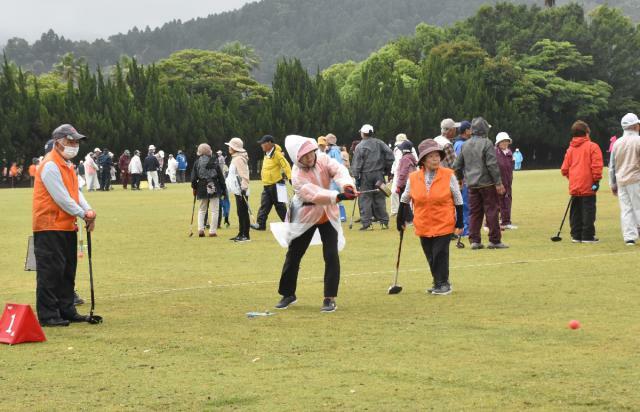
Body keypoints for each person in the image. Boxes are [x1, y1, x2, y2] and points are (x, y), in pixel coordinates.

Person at [274, 135, 356, 312]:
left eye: (310, 153)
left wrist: (347, 186)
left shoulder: (324, 158)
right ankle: (288, 294)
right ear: (297, 157)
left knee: (331, 255)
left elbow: (339, 171)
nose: (310, 157)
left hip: (328, 215)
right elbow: (314, 194)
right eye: (304, 156)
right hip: (306, 216)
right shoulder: (296, 174)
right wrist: (338, 196)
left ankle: (329, 297)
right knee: (294, 254)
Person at [32, 124, 97, 326]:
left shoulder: (68, 165)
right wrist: (83, 213)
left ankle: (66, 309)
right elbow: (61, 198)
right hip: (49, 226)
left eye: (76, 141)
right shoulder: (50, 165)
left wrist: (88, 210)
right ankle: (49, 314)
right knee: (51, 272)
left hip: (66, 225)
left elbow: (76, 193)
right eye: (71, 141)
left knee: (67, 270)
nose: (74, 145)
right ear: (58, 142)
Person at [397, 139, 464, 295]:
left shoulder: (448, 175)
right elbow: (405, 198)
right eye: (431, 156)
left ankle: (443, 283)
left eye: (437, 156)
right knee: (430, 254)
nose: (435, 159)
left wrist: (459, 222)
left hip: (444, 222)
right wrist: (400, 218)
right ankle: (437, 282)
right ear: (423, 160)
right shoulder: (413, 177)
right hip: (423, 223)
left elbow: (458, 199)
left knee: (440, 253)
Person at [453, 117, 508, 249]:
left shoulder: (465, 144)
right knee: (492, 211)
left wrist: (460, 179)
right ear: (484, 130)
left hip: (471, 184)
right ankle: (494, 240)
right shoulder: (487, 143)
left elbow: (456, 165)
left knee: (475, 212)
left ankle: (475, 241)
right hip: (487, 184)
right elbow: (492, 165)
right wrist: (498, 183)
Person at [560, 120, 603, 244]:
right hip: (588, 184)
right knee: (588, 211)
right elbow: (597, 166)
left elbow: (564, 169)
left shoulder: (570, 149)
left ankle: (576, 235)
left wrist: (573, 178)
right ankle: (587, 236)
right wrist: (596, 180)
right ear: (586, 133)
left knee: (576, 211)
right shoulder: (592, 146)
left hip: (575, 185)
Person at [350, 124, 394, 230]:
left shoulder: (360, 146)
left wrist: (356, 176)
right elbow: (390, 156)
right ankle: (384, 222)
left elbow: (356, 164)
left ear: (362, 133)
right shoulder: (380, 143)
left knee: (365, 198)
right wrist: (386, 168)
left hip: (366, 175)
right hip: (379, 174)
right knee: (380, 198)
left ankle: (367, 223)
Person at [609, 114, 640, 245]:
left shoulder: (617, 143)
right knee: (638, 207)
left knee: (626, 209)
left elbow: (612, 166)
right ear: (634, 126)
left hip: (621, 181)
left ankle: (629, 238)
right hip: (636, 179)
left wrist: (612, 184)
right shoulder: (638, 140)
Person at [251, 135, 292, 231]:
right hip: (267, 185)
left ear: (270, 143)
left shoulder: (277, 154)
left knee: (280, 206)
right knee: (264, 205)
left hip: (277, 184)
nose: (261, 145)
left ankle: (288, 224)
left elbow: (286, 166)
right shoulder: (266, 154)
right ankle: (260, 224)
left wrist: (290, 178)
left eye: (263, 143)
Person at [191, 144, 227, 237]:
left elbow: (193, 178)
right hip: (214, 185)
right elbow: (220, 176)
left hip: (202, 186)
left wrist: (194, 188)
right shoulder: (214, 161)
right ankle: (212, 231)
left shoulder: (197, 162)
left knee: (202, 209)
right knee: (214, 210)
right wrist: (224, 189)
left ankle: (200, 229)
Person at [225, 137, 251, 242]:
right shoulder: (236, 157)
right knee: (240, 212)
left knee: (243, 212)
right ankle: (241, 233)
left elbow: (244, 175)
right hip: (237, 189)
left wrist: (244, 188)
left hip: (241, 190)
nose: (229, 148)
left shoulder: (239, 159)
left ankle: (246, 235)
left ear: (235, 147)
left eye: (230, 146)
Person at [390, 133, 418, 216]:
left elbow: (398, 162)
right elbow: (396, 161)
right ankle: (397, 211)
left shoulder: (405, 150)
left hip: (403, 173)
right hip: (402, 172)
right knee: (396, 192)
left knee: (401, 192)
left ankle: (403, 212)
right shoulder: (404, 148)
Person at [453, 121, 472, 236]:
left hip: (462, 177)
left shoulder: (458, 143)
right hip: (464, 178)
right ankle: (464, 230)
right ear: (466, 131)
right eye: (471, 129)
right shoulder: (461, 144)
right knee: (465, 204)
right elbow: (461, 163)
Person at [495, 132, 517, 230]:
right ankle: (490, 224)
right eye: (503, 141)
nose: (505, 143)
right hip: (498, 182)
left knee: (507, 201)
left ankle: (506, 222)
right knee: (496, 203)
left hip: (508, 181)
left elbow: (511, 166)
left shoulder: (509, 153)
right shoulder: (494, 152)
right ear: (498, 143)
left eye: (506, 141)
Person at [325, 133, 348, 222]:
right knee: (335, 197)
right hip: (334, 177)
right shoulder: (334, 150)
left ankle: (340, 216)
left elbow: (336, 164)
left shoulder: (333, 151)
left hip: (334, 178)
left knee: (334, 196)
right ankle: (338, 215)